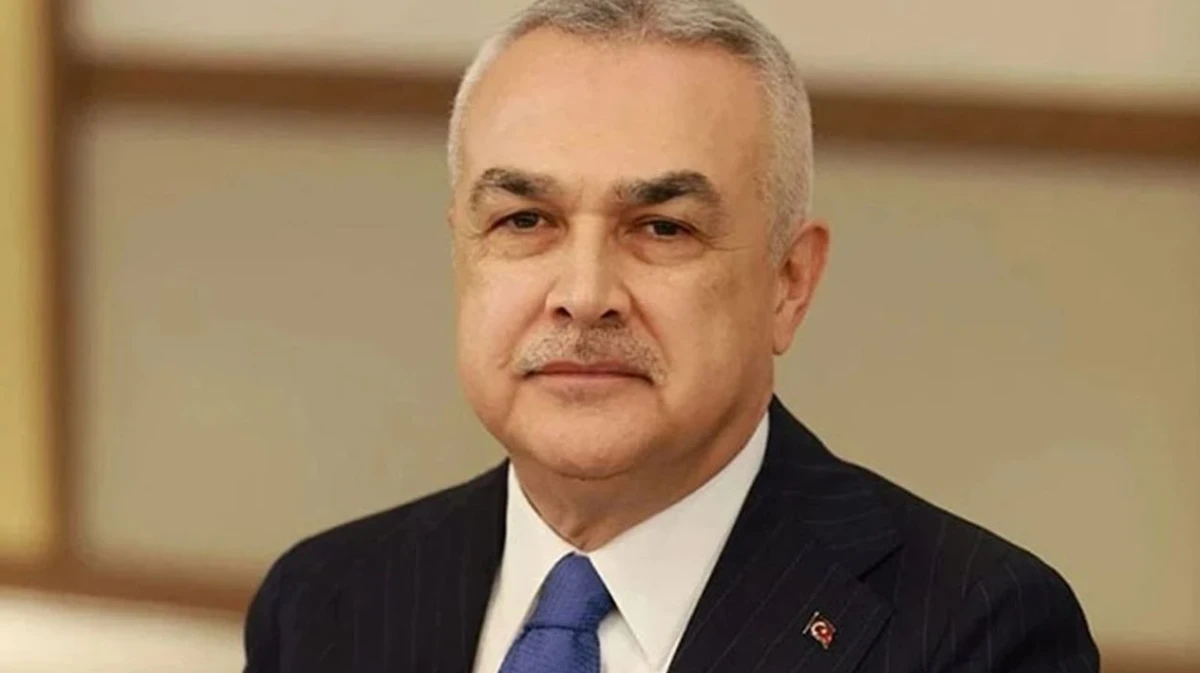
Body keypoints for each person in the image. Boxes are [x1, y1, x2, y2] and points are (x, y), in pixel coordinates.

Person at [243, 1, 1099, 671]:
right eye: (525, 219)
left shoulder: (975, 628)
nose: (584, 296)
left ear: (790, 282)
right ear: (462, 252)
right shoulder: (324, 602)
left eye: (662, 228)